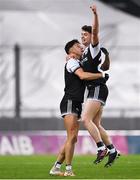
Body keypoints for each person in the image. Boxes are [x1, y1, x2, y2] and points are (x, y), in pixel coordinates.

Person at [49, 39, 107, 176]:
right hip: (69, 101)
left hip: (75, 103)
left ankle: (56, 168)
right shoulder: (72, 62)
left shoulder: (76, 61)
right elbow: (82, 75)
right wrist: (101, 75)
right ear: (70, 50)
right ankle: (68, 169)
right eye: (77, 45)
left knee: (73, 138)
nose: (81, 47)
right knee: (72, 136)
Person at [80, 5, 119, 167]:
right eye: (81, 34)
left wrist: (95, 14)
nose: (83, 37)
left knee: (85, 119)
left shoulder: (93, 49)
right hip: (95, 89)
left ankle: (101, 147)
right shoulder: (85, 53)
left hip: (97, 87)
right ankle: (112, 150)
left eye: (85, 34)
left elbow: (95, 31)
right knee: (95, 124)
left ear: (91, 36)